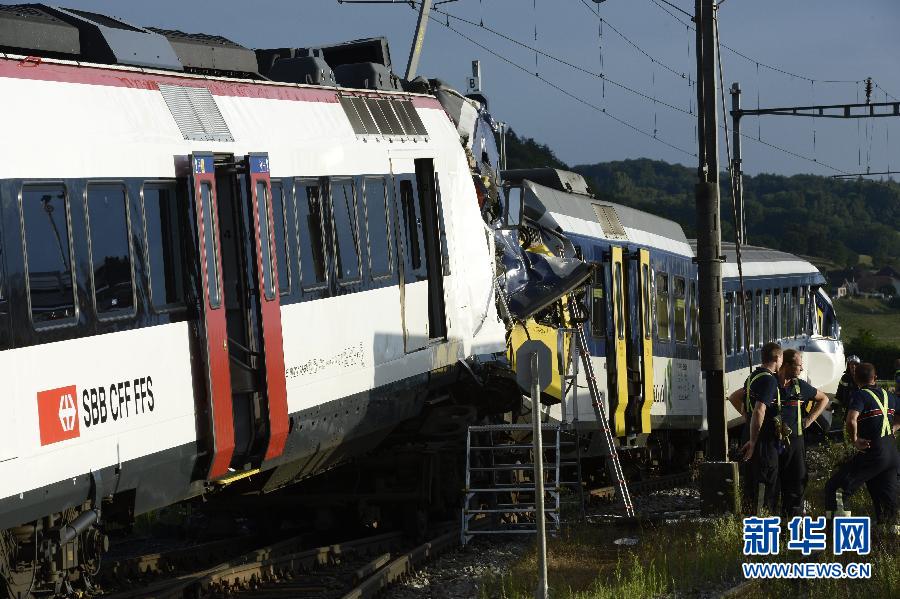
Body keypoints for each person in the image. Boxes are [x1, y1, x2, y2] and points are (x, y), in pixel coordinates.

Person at [823, 362, 900, 525]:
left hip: (873, 451)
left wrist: (855, 441)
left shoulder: (859, 395)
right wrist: (893, 428)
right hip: (892, 454)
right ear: (876, 378)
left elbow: (851, 420)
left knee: (836, 488)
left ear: (856, 378)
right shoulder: (889, 395)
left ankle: (838, 533)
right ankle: (888, 538)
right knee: (885, 499)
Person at [776, 349, 830, 518]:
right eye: (799, 365)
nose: (801, 369)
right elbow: (737, 396)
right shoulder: (770, 383)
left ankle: (792, 522)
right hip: (772, 442)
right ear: (786, 365)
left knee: (797, 481)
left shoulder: (799, 386)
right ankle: (767, 520)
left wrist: (810, 419)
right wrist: (748, 418)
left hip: (795, 442)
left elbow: (824, 399)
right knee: (771, 483)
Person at [736, 342, 783, 514]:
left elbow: (744, 408)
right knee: (766, 484)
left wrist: (749, 429)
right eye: (782, 358)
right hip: (763, 442)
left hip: (749, 434)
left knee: (751, 484)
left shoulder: (752, 378)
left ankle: (749, 524)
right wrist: (754, 441)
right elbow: (759, 409)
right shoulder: (769, 380)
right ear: (777, 358)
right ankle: (764, 523)